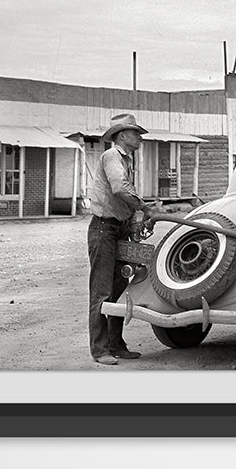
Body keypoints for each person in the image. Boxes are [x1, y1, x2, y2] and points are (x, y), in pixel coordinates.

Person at [87, 113, 148, 365]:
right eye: (135, 133)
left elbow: (123, 196)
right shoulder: (112, 156)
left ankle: (116, 344)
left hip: (118, 228)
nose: (140, 138)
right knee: (102, 291)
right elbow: (120, 188)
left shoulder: (127, 159)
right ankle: (100, 350)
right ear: (122, 135)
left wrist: (136, 218)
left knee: (119, 288)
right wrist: (144, 207)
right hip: (104, 229)